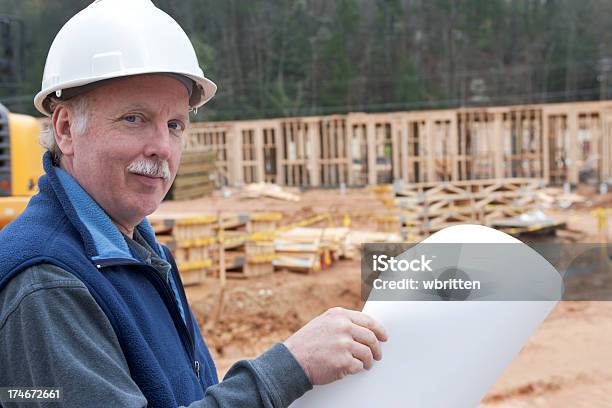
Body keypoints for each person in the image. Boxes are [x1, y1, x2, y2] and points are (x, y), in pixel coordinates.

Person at [0, 1, 388, 407]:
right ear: (65, 128)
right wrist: (289, 369)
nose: (162, 148)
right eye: (134, 118)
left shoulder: (139, 254)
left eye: (175, 125)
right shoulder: (48, 285)